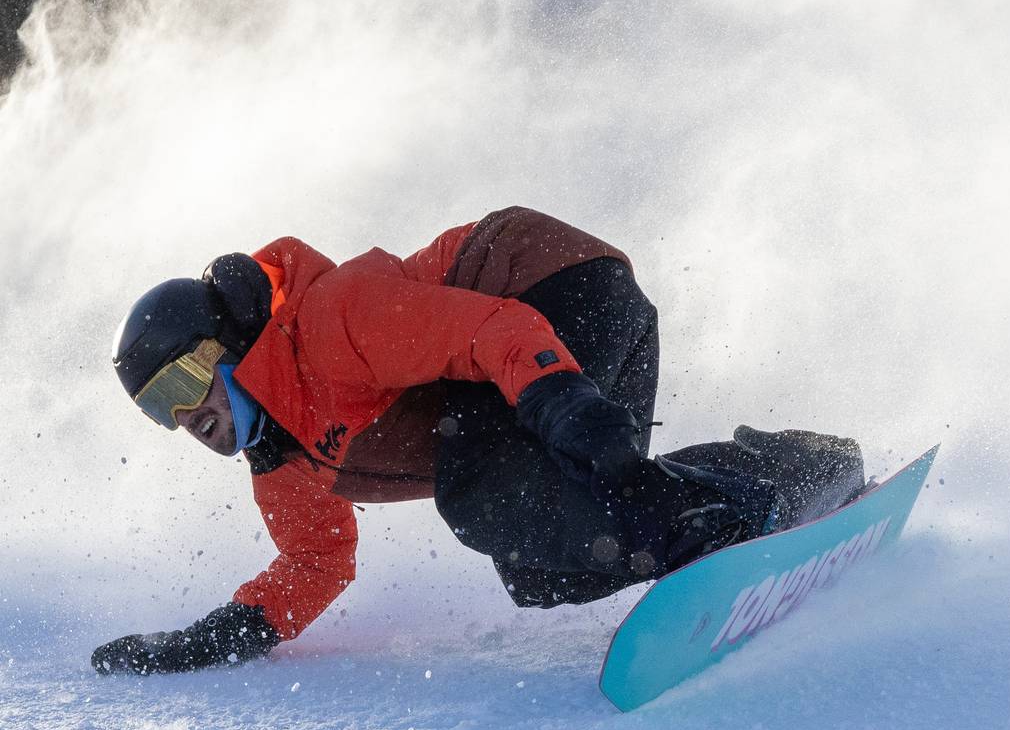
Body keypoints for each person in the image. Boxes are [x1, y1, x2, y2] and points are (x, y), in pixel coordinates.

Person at [91, 206, 864, 676]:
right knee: (539, 566)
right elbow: (318, 562)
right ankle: (792, 472)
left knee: (486, 492)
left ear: (224, 343)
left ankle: (740, 505)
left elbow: (490, 328)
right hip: (531, 368)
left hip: (556, 283)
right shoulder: (283, 461)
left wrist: (557, 396)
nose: (184, 417)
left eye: (182, 381)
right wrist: (221, 634)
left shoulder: (328, 326)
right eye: (159, 409)